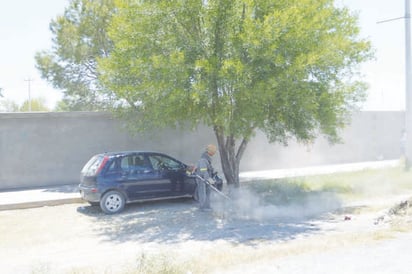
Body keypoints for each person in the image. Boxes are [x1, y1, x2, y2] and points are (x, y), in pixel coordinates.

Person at [196, 144, 217, 211]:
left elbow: (208, 170)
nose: (214, 153)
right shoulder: (203, 160)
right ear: (210, 151)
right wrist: (208, 179)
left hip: (206, 178)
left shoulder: (207, 159)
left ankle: (207, 206)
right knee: (202, 193)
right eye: (213, 152)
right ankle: (202, 207)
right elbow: (203, 171)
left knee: (208, 192)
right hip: (201, 179)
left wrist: (211, 178)